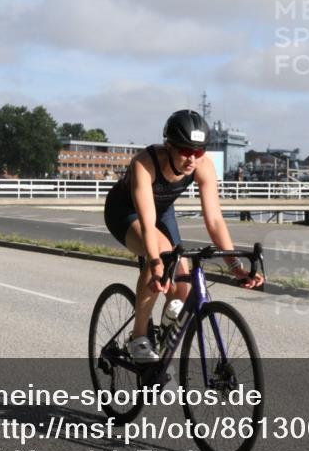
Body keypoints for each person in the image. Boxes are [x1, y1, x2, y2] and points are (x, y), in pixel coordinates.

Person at [104, 110, 263, 363]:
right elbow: (147, 223)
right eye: (186, 151)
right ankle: (138, 338)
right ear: (169, 146)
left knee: (184, 289)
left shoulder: (203, 166)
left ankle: (164, 339)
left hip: (163, 211)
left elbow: (214, 220)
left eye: (199, 151)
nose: (192, 158)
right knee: (163, 253)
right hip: (125, 212)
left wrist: (235, 266)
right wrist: (156, 263)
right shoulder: (145, 164)